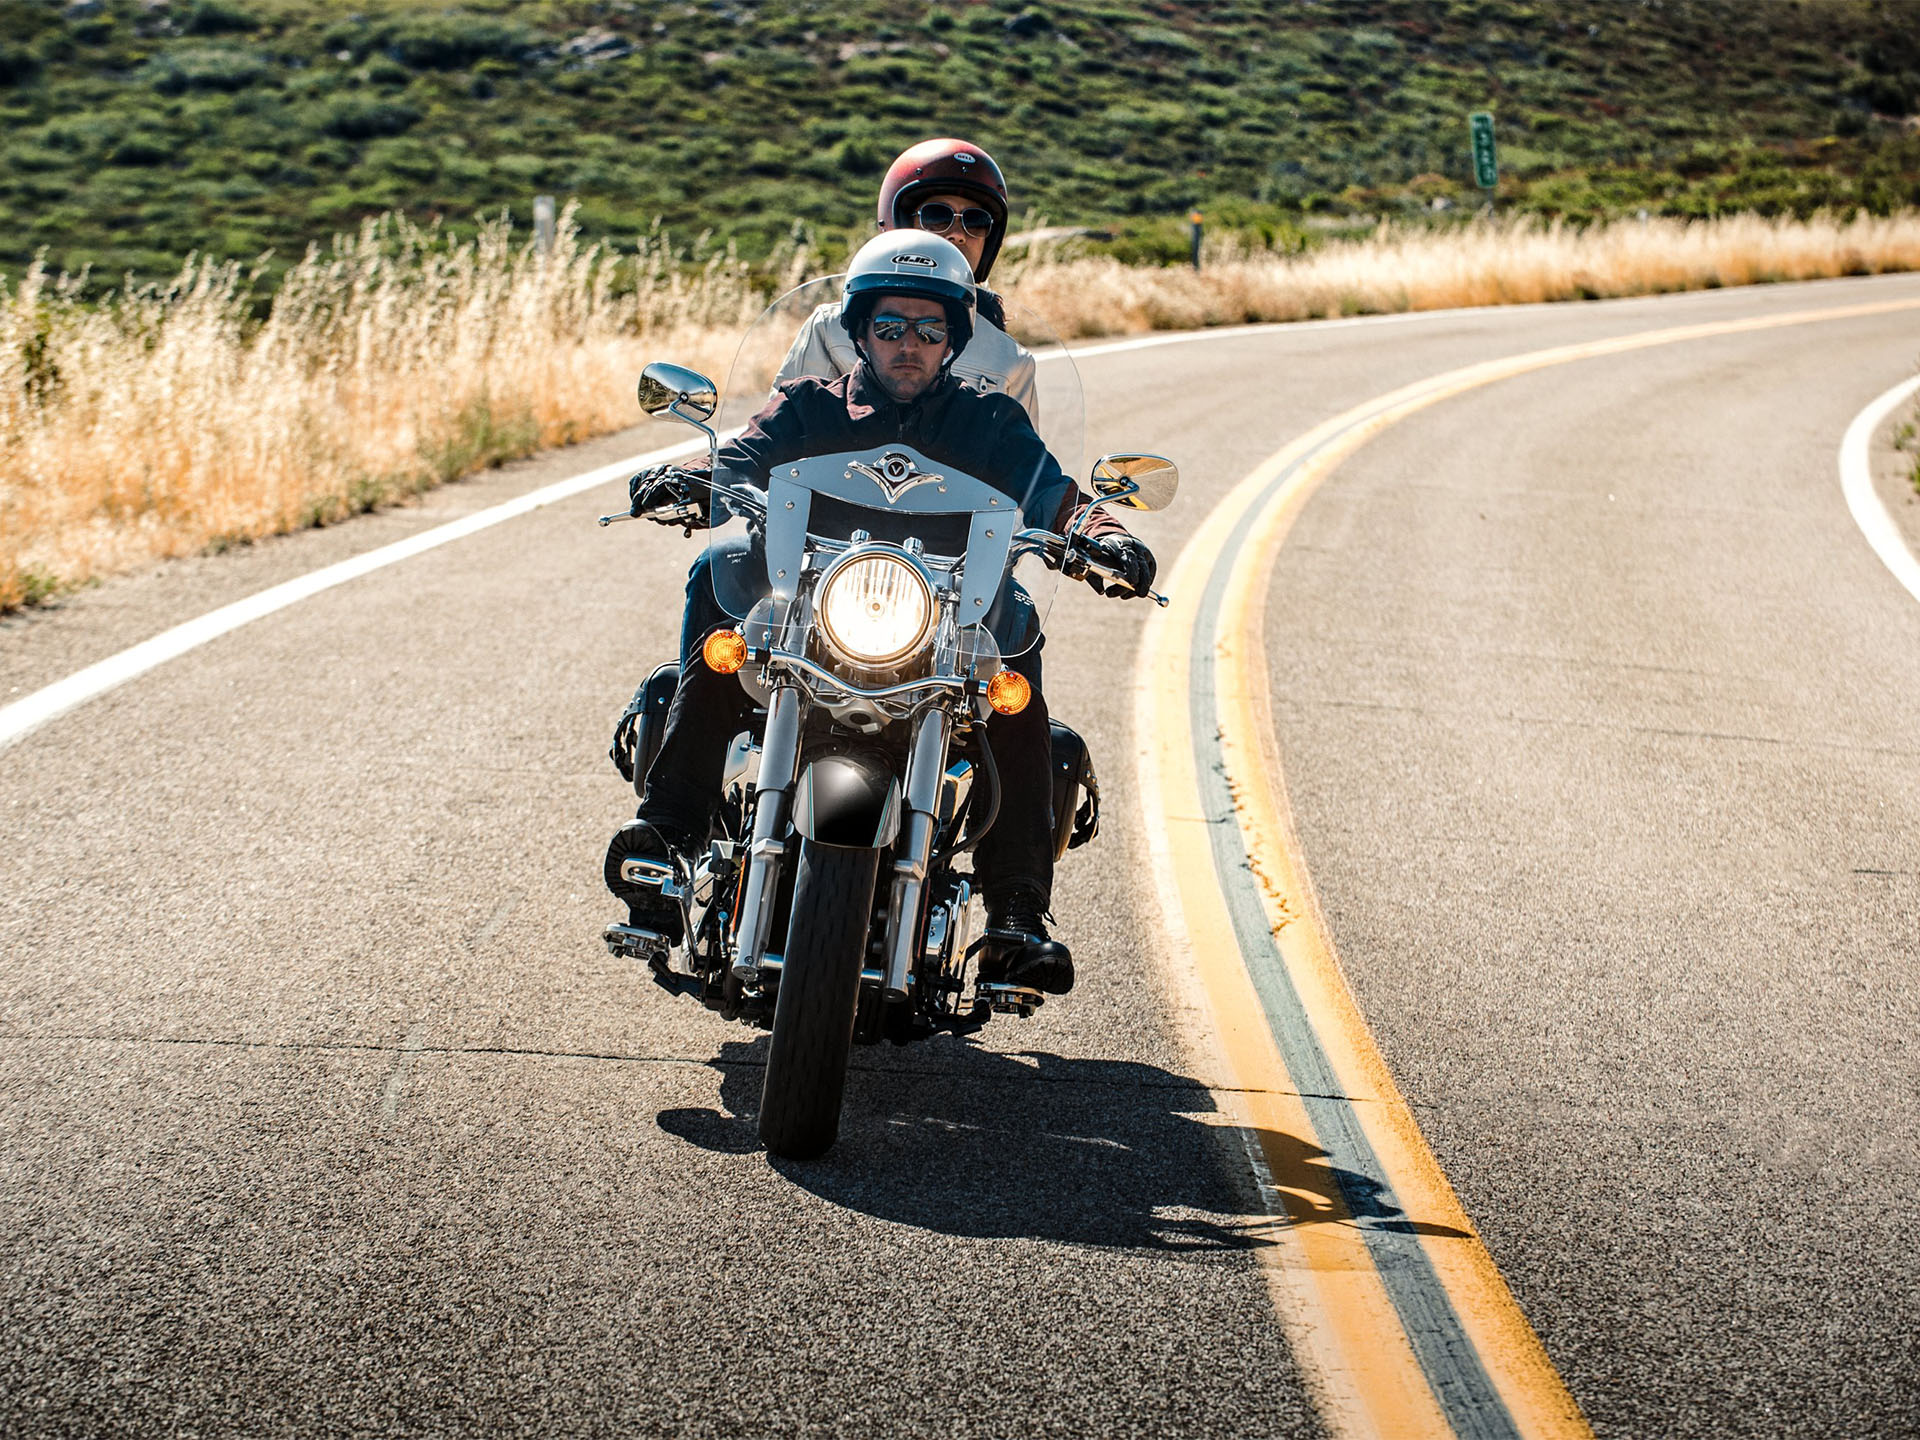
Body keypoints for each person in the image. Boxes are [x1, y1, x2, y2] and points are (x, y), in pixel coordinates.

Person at [606, 233, 1156, 995]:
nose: (909, 345)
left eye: (930, 330)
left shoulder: (990, 423)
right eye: (891, 327)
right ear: (860, 333)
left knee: (1018, 629)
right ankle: (670, 833)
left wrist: (1101, 535)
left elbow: (1053, 494)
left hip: (935, 624)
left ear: (954, 342)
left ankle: (1016, 916)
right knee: (718, 571)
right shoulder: (807, 407)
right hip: (817, 614)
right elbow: (739, 454)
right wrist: (684, 477)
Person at [774, 136, 1036, 414]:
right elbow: (780, 433)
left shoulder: (1010, 360)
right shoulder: (830, 329)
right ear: (899, 219)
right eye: (936, 216)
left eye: (976, 221)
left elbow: (1024, 455)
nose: (958, 234)